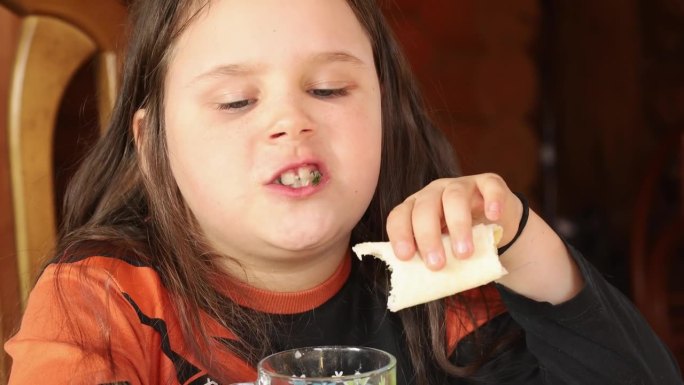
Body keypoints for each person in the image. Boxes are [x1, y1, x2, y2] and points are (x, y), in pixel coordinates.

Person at [4, 1, 682, 384]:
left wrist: (524, 241)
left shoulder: (441, 297)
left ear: (385, 112)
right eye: (237, 100)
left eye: (329, 89)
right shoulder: (102, 303)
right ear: (153, 146)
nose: (290, 120)